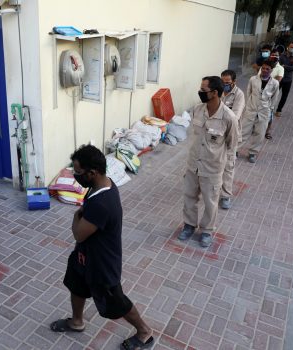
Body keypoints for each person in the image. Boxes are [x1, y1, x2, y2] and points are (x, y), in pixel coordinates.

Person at [50, 145, 154, 350]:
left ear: (92, 172)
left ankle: (144, 332)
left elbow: (79, 233)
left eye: (78, 172)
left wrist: (76, 217)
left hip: (102, 263)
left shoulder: (102, 202)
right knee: (76, 284)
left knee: (115, 301)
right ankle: (77, 322)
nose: (75, 175)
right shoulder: (101, 185)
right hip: (84, 256)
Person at [178, 77, 238, 247]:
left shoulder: (228, 118)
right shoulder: (198, 110)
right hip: (193, 164)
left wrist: (227, 174)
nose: (200, 93)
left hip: (213, 168)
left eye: (203, 90)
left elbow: (232, 146)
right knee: (189, 197)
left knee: (211, 202)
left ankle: (207, 231)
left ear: (215, 93)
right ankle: (189, 225)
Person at [238, 60, 280, 164]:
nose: (265, 70)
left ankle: (252, 153)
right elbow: (249, 92)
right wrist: (249, 106)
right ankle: (235, 150)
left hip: (264, 112)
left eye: (267, 69)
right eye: (263, 68)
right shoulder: (253, 79)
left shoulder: (275, 83)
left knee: (260, 134)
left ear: (271, 70)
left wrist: (270, 109)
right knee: (243, 131)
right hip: (251, 110)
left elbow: (275, 98)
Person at [219, 70, 245, 210]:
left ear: (234, 82)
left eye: (227, 83)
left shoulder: (239, 95)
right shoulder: (218, 91)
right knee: (215, 163)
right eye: (222, 82)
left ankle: (225, 196)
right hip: (216, 134)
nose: (224, 85)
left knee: (228, 166)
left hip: (230, 135)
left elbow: (234, 117)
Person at [260, 49, 284, 139]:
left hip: (271, 92)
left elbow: (278, 79)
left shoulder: (280, 68)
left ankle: (268, 131)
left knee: (270, 114)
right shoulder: (264, 65)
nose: (274, 56)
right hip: (261, 91)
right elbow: (260, 75)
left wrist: (269, 80)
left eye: (276, 55)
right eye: (273, 55)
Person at [275, 42, 293, 118]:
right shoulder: (281, 56)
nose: (292, 49)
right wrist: (286, 67)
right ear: (288, 47)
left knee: (284, 96)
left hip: (288, 80)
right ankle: (269, 108)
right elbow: (278, 65)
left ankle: (279, 110)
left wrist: (284, 66)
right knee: (274, 94)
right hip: (279, 78)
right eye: (291, 47)